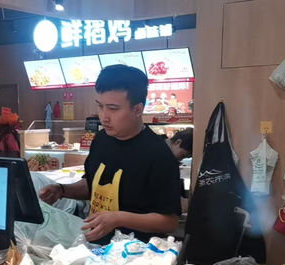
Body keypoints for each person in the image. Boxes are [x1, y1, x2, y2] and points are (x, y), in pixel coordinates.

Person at [39, 64, 182, 244]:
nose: (104, 117)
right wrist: (61, 190)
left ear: (138, 109)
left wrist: (118, 218)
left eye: (113, 108)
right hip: (94, 247)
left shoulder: (158, 154)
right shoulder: (101, 140)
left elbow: (169, 221)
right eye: (100, 106)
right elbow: (92, 185)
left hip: (136, 253)